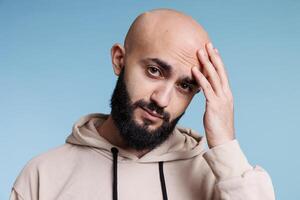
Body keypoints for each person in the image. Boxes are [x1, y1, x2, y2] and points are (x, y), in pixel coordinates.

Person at [10, 9, 275, 200]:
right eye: (154, 71)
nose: (162, 99)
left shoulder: (218, 180)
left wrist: (226, 145)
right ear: (119, 60)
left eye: (184, 86)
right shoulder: (43, 176)